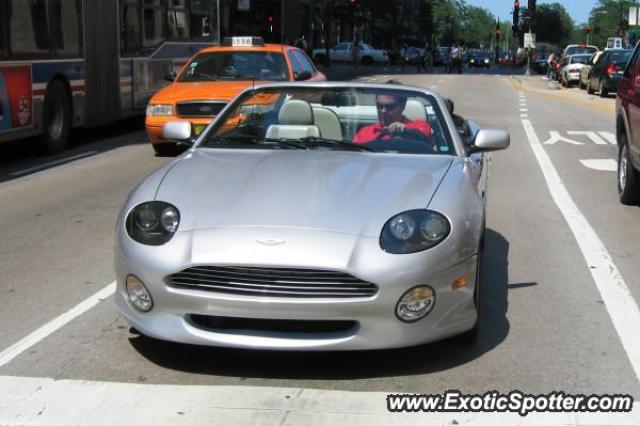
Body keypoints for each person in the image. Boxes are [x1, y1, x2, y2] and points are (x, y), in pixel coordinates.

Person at [352, 92, 433, 144]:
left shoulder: (420, 126)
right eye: (380, 106)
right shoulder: (364, 132)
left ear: (403, 106)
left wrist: (404, 132)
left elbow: (422, 137)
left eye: (389, 107)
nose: (383, 111)